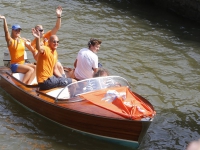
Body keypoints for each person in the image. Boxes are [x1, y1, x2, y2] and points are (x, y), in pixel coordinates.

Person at [29, 6, 65, 78]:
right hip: (44, 61)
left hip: (52, 57)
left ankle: (65, 80)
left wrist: (58, 16)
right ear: (35, 32)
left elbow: (57, 27)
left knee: (60, 67)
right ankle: (62, 81)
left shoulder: (47, 35)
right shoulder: (33, 43)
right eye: (39, 30)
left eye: (42, 30)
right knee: (57, 66)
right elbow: (36, 57)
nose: (41, 32)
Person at [0, 15, 36, 85]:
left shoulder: (22, 40)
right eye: (16, 30)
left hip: (23, 64)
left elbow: (33, 47)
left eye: (19, 30)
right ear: (12, 31)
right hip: (14, 65)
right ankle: (23, 85)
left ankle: (29, 83)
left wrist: (34, 39)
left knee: (36, 67)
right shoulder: (10, 41)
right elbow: (6, 31)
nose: (18, 31)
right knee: (31, 70)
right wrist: (4, 19)